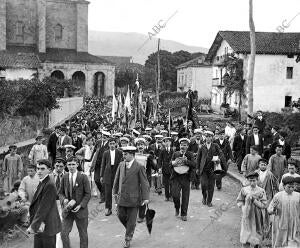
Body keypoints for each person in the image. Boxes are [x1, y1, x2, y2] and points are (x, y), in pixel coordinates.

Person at [112, 146, 150, 248]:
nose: (123, 156)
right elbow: (116, 179)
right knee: (120, 215)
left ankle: (128, 238)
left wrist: (146, 198)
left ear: (132, 155)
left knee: (132, 220)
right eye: (123, 154)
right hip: (121, 197)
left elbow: (145, 183)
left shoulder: (139, 166)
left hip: (134, 198)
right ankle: (131, 228)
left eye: (126, 154)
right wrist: (115, 192)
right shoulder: (121, 164)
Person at [28, 159, 61, 248]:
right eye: (38, 168)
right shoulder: (43, 180)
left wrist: (33, 226)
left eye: (42, 169)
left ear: (49, 170)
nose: (39, 171)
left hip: (47, 225)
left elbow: (44, 207)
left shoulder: (49, 184)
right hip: (41, 224)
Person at [59, 156, 91, 248]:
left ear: (77, 165)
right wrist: (63, 199)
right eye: (69, 165)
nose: (71, 167)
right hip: (67, 210)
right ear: (66, 166)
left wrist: (80, 205)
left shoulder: (83, 177)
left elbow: (88, 194)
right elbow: (60, 192)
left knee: (83, 233)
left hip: (80, 211)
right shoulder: (64, 177)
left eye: (73, 164)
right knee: (63, 233)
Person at [236, 171, 269, 248]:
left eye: (254, 180)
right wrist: (243, 208)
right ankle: (245, 244)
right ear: (247, 180)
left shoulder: (261, 191)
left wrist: (254, 200)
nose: (252, 183)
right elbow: (239, 200)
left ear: (257, 180)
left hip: (257, 215)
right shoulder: (244, 190)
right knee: (246, 232)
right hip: (247, 215)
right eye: (250, 180)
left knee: (256, 232)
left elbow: (264, 204)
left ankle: (256, 244)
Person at [268, 176, 300, 248]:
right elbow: (269, 210)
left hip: (294, 225)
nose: (291, 189)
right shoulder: (278, 196)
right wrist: (274, 208)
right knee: (280, 244)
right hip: (281, 224)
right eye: (289, 187)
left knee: (294, 243)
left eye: (293, 187)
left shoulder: (298, 196)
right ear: (283, 186)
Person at [196, 131, 226, 207]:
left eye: (210, 136)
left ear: (212, 137)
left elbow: (221, 154)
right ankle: (204, 197)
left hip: (213, 169)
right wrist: (197, 168)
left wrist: (218, 158)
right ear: (205, 137)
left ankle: (209, 201)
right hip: (203, 169)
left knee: (211, 186)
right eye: (207, 136)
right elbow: (198, 158)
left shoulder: (215, 146)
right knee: (203, 185)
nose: (208, 138)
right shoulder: (201, 146)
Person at [170, 138, 195, 221]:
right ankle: (177, 207)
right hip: (176, 177)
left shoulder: (190, 154)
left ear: (187, 146)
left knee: (185, 197)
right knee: (175, 195)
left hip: (186, 177)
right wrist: (173, 163)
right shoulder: (175, 154)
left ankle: (184, 214)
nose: (182, 147)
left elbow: (194, 164)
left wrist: (186, 161)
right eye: (181, 145)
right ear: (179, 146)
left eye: (184, 145)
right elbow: (170, 164)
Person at [100, 138, 123, 216]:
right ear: (108, 144)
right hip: (108, 174)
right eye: (110, 144)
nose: (112, 145)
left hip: (117, 172)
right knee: (108, 192)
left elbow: (122, 163)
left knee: (118, 191)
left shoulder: (119, 152)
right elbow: (103, 164)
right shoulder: (106, 153)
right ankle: (108, 208)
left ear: (116, 144)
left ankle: (119, 208)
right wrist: (101, 175)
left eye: (113, 143)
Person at [91, 130, 110, 203]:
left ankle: (103, 196)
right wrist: (91, 161)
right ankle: (103, 193)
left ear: (108, 138)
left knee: (102, 181)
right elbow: (94, 151)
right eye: (103, 136)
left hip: (104, 166)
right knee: (96, 180)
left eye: (106, 137)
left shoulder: (109, 145)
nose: (104, 137)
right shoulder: (98, 142)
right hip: (97, 164)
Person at [158, 137, 174, 201]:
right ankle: (166, 196)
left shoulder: (173, 151)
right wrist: (159, 168)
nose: (167, 143)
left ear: (170, 143)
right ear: (164, 143)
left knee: (172, 183)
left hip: (172, 170)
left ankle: (171, 196)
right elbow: (160, 160)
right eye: (166, 142)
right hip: (165, 169)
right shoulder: (162, 151)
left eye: (169, 142)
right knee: (166, 184)